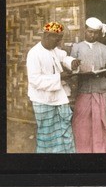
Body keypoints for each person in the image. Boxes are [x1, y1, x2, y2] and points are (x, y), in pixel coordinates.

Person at [26, 21, 80, 153]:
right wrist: (59, 78)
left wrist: (72, 62)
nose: (58, 43)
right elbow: (35, 80)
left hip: (58, 98)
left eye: (60, 40)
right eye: (57, 40)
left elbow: (64, 56)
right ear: (45, 36)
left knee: (64, 129)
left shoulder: (54, 49)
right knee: (47, 134)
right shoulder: (34, 54)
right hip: (43, 100)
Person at [70, 17, 106, 153]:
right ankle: (83, 150)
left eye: (95, 33)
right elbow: (71, 68)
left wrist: (105, 73)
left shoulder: (104, 49)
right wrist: (79, 70)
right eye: (90, 32)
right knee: (81, 121)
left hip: (99, 90)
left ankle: (99, 150)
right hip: (83, 90)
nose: (92, 35)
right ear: (85, 31)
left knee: (99, 121)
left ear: (99, 33)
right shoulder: (76, 47)